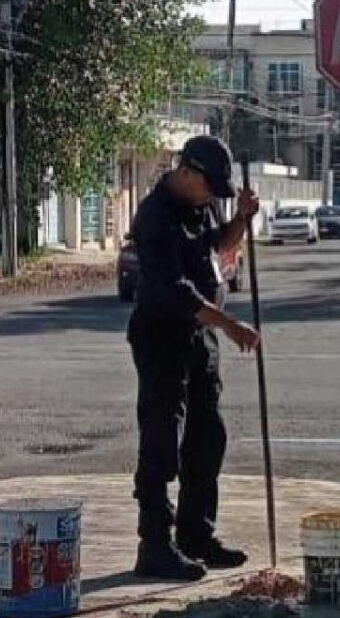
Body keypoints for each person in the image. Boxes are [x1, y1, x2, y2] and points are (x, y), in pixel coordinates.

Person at [128, 135, 261, 581]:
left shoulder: (201, 203)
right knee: (162, 438)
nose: (211, 197)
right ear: (186, 171)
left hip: (198, 336)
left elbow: (221, 243)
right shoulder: (154, 216)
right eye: (209, 186)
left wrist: (241, 218)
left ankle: (196, 535)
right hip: (162, 336)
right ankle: (155, 545)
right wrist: (229, 323)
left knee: (208, 436)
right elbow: (175, 291)